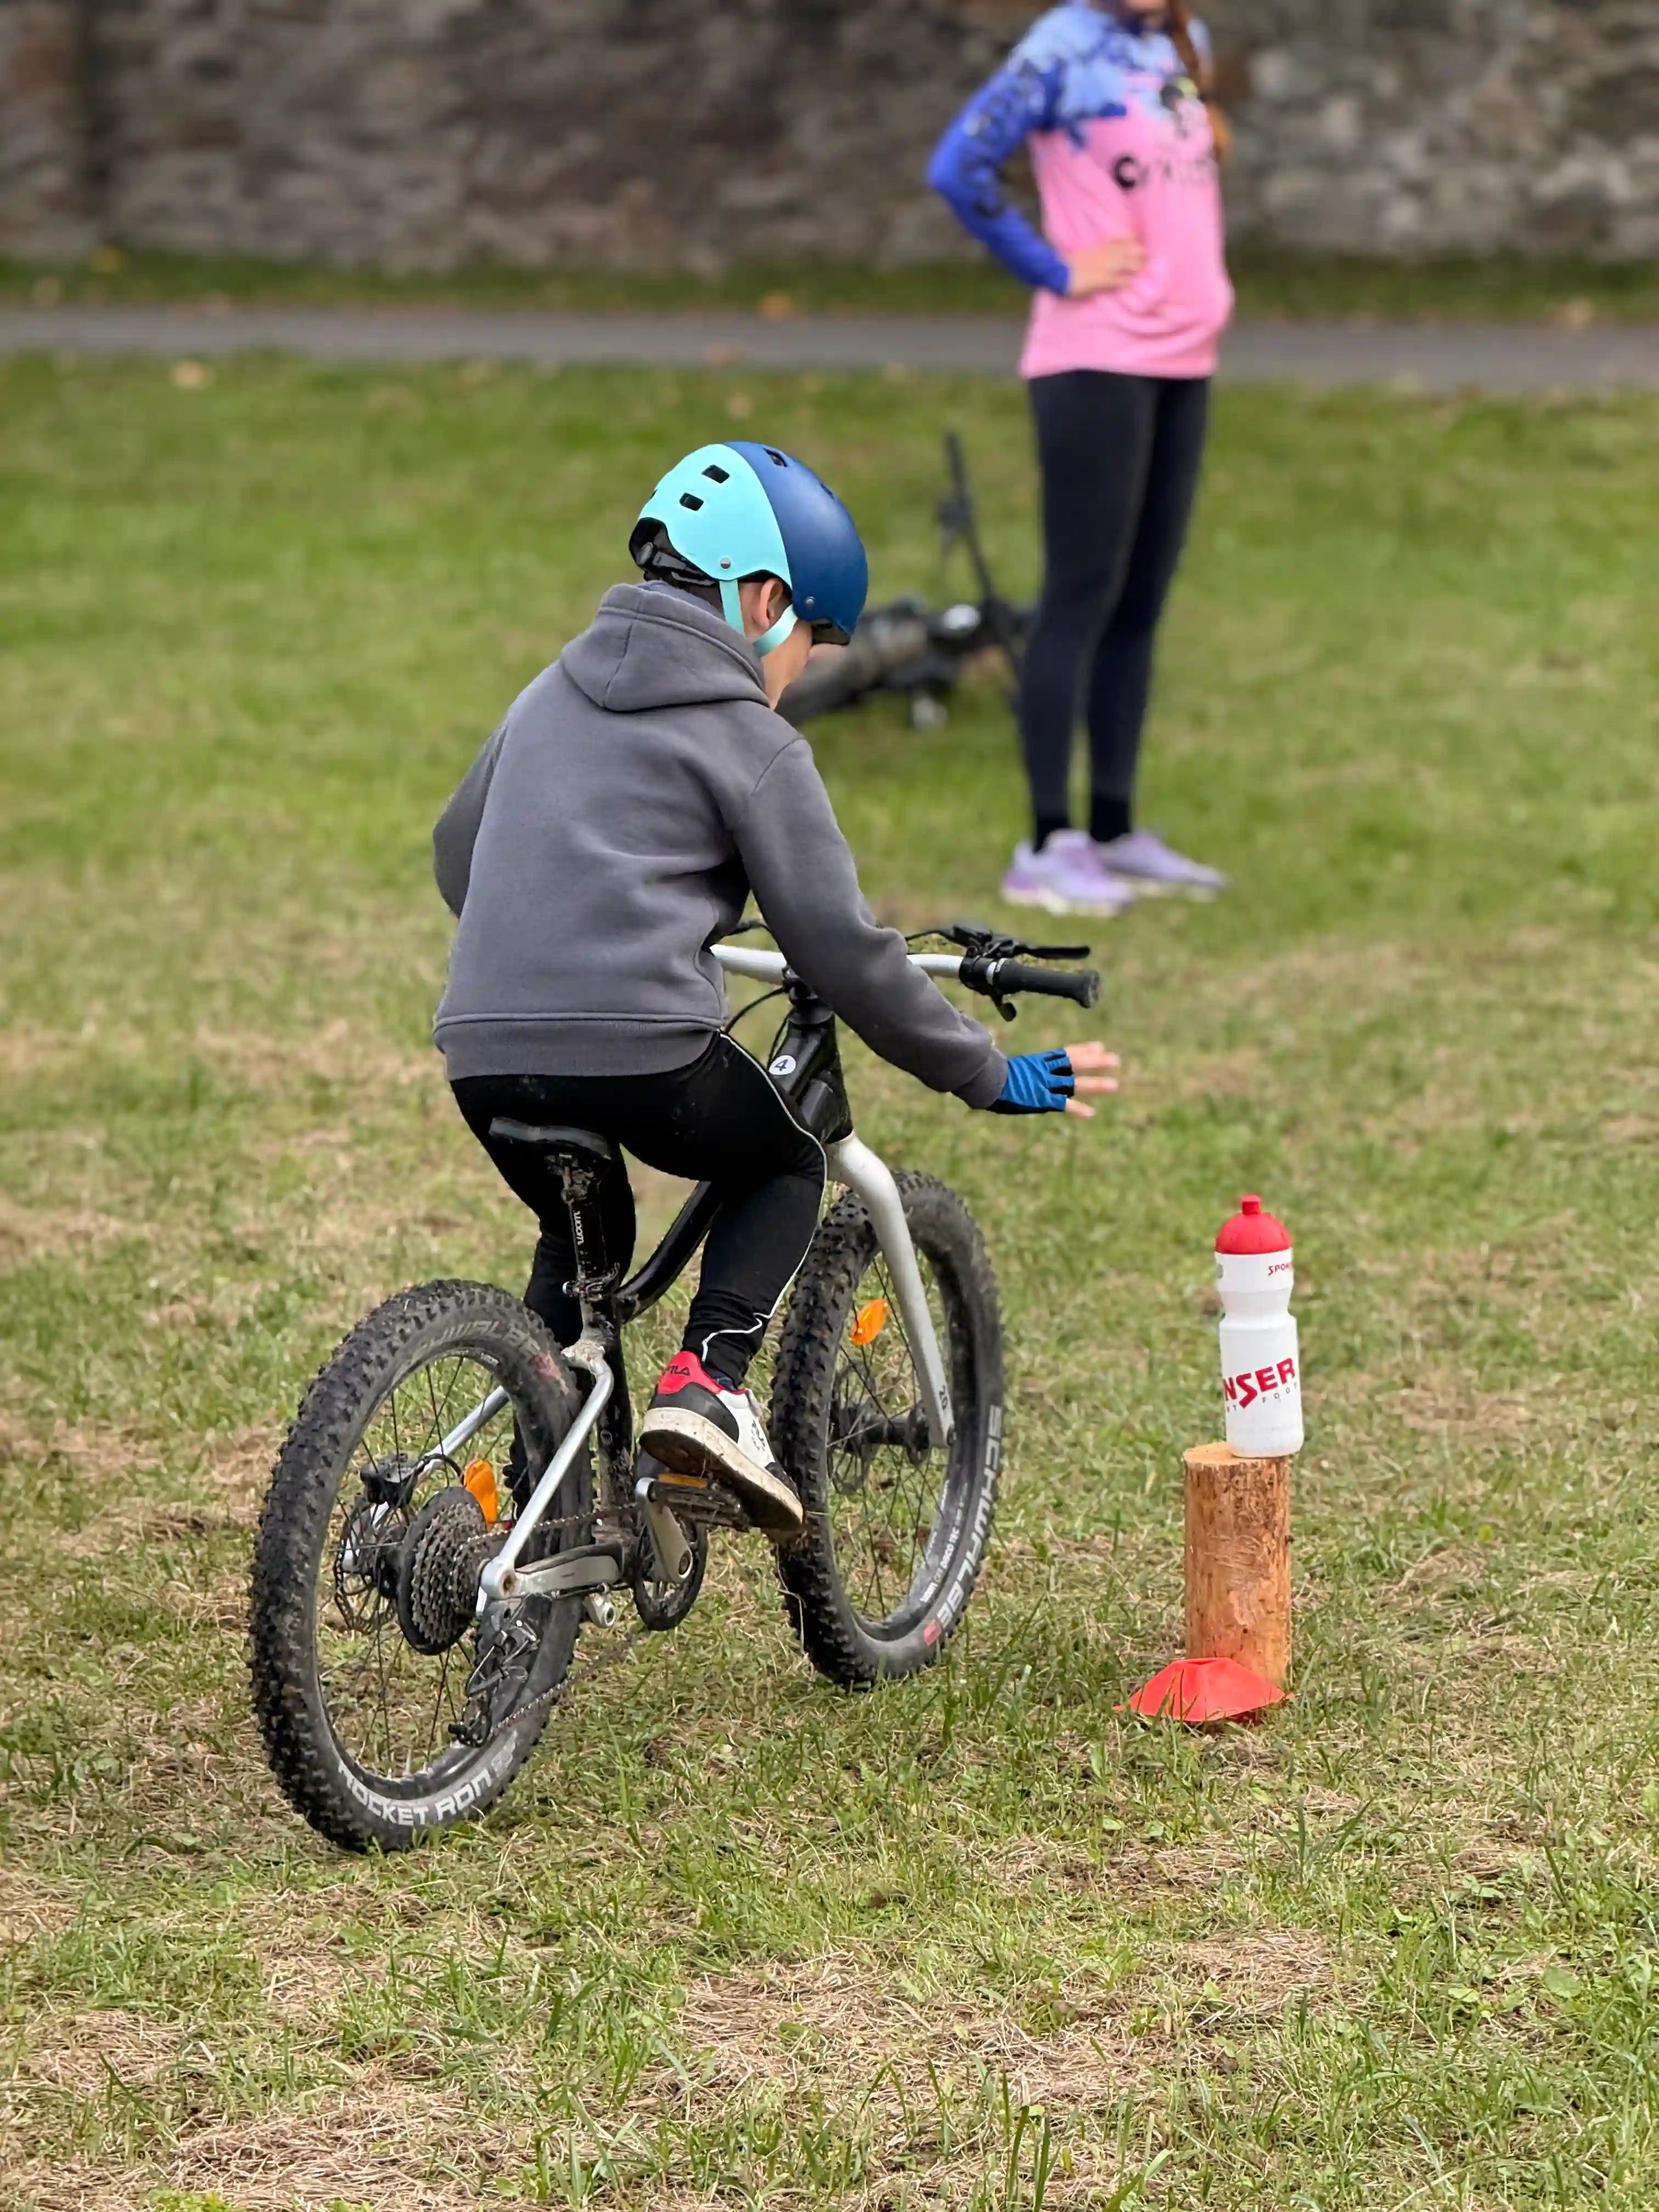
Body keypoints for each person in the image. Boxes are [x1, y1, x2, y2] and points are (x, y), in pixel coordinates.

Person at [431, 441, 1118, 1538]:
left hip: (481, 1046)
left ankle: (544, 1489)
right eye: (812, 632)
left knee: (580, 1240)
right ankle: (711, 1384)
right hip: (642, 1050)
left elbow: (455, 856)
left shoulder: (543, 696)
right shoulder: (753, 740)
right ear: (758, 600)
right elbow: (843, 953)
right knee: (783, 1153)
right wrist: (985, 1073)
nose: (807, 664)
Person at [929, 0, 1233, 915]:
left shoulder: (1182, 40)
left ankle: (1113, 829)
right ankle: (1044, 843)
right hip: (1096, 359)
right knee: (1080, 597)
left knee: (1141, 600)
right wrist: (1052, 267)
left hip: (1186, 358)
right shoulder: (1059, 47)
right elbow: (959, 166)